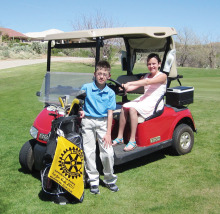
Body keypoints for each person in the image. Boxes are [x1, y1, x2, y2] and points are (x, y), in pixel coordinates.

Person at [112, 53, 167, 152]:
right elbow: (135, 87)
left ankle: (132, 140)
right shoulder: (146, 75)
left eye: (154, 63)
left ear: (159, 64)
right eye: (149, 64)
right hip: (145, 99)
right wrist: (125, 88)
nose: (151, 66)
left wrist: (130, 83)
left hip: (155, 102)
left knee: (133, 109)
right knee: (125, 106)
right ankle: (120, 137)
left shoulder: (162, 76)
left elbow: (147, 83)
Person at [79, 60, 119, 194]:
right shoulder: (86, 87)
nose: (101, 76)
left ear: (109, 76)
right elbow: (78, 102)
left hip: (103, 123)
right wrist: (81, 109)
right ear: (95, 74)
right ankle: (93, 181)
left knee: (107, 153)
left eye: (104, 74)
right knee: (89, 152)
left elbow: (110, 114)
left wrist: (108, 133)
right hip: (88, 122)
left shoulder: (110, 93)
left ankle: (109, 179)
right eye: (99, 73)